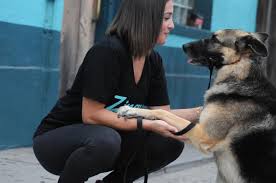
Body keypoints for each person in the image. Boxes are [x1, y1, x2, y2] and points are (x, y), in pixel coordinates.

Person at [32, 0, 201, 182]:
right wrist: (145, 124)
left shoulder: (153, 60)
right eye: (166, 17)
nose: (172, 25)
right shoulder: (107, 52)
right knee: (106, 141)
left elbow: (161, 115)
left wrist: (202, 113)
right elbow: (92, 115)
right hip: (57, 141)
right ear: (146, 18)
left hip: (108, 138)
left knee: (170, 141)